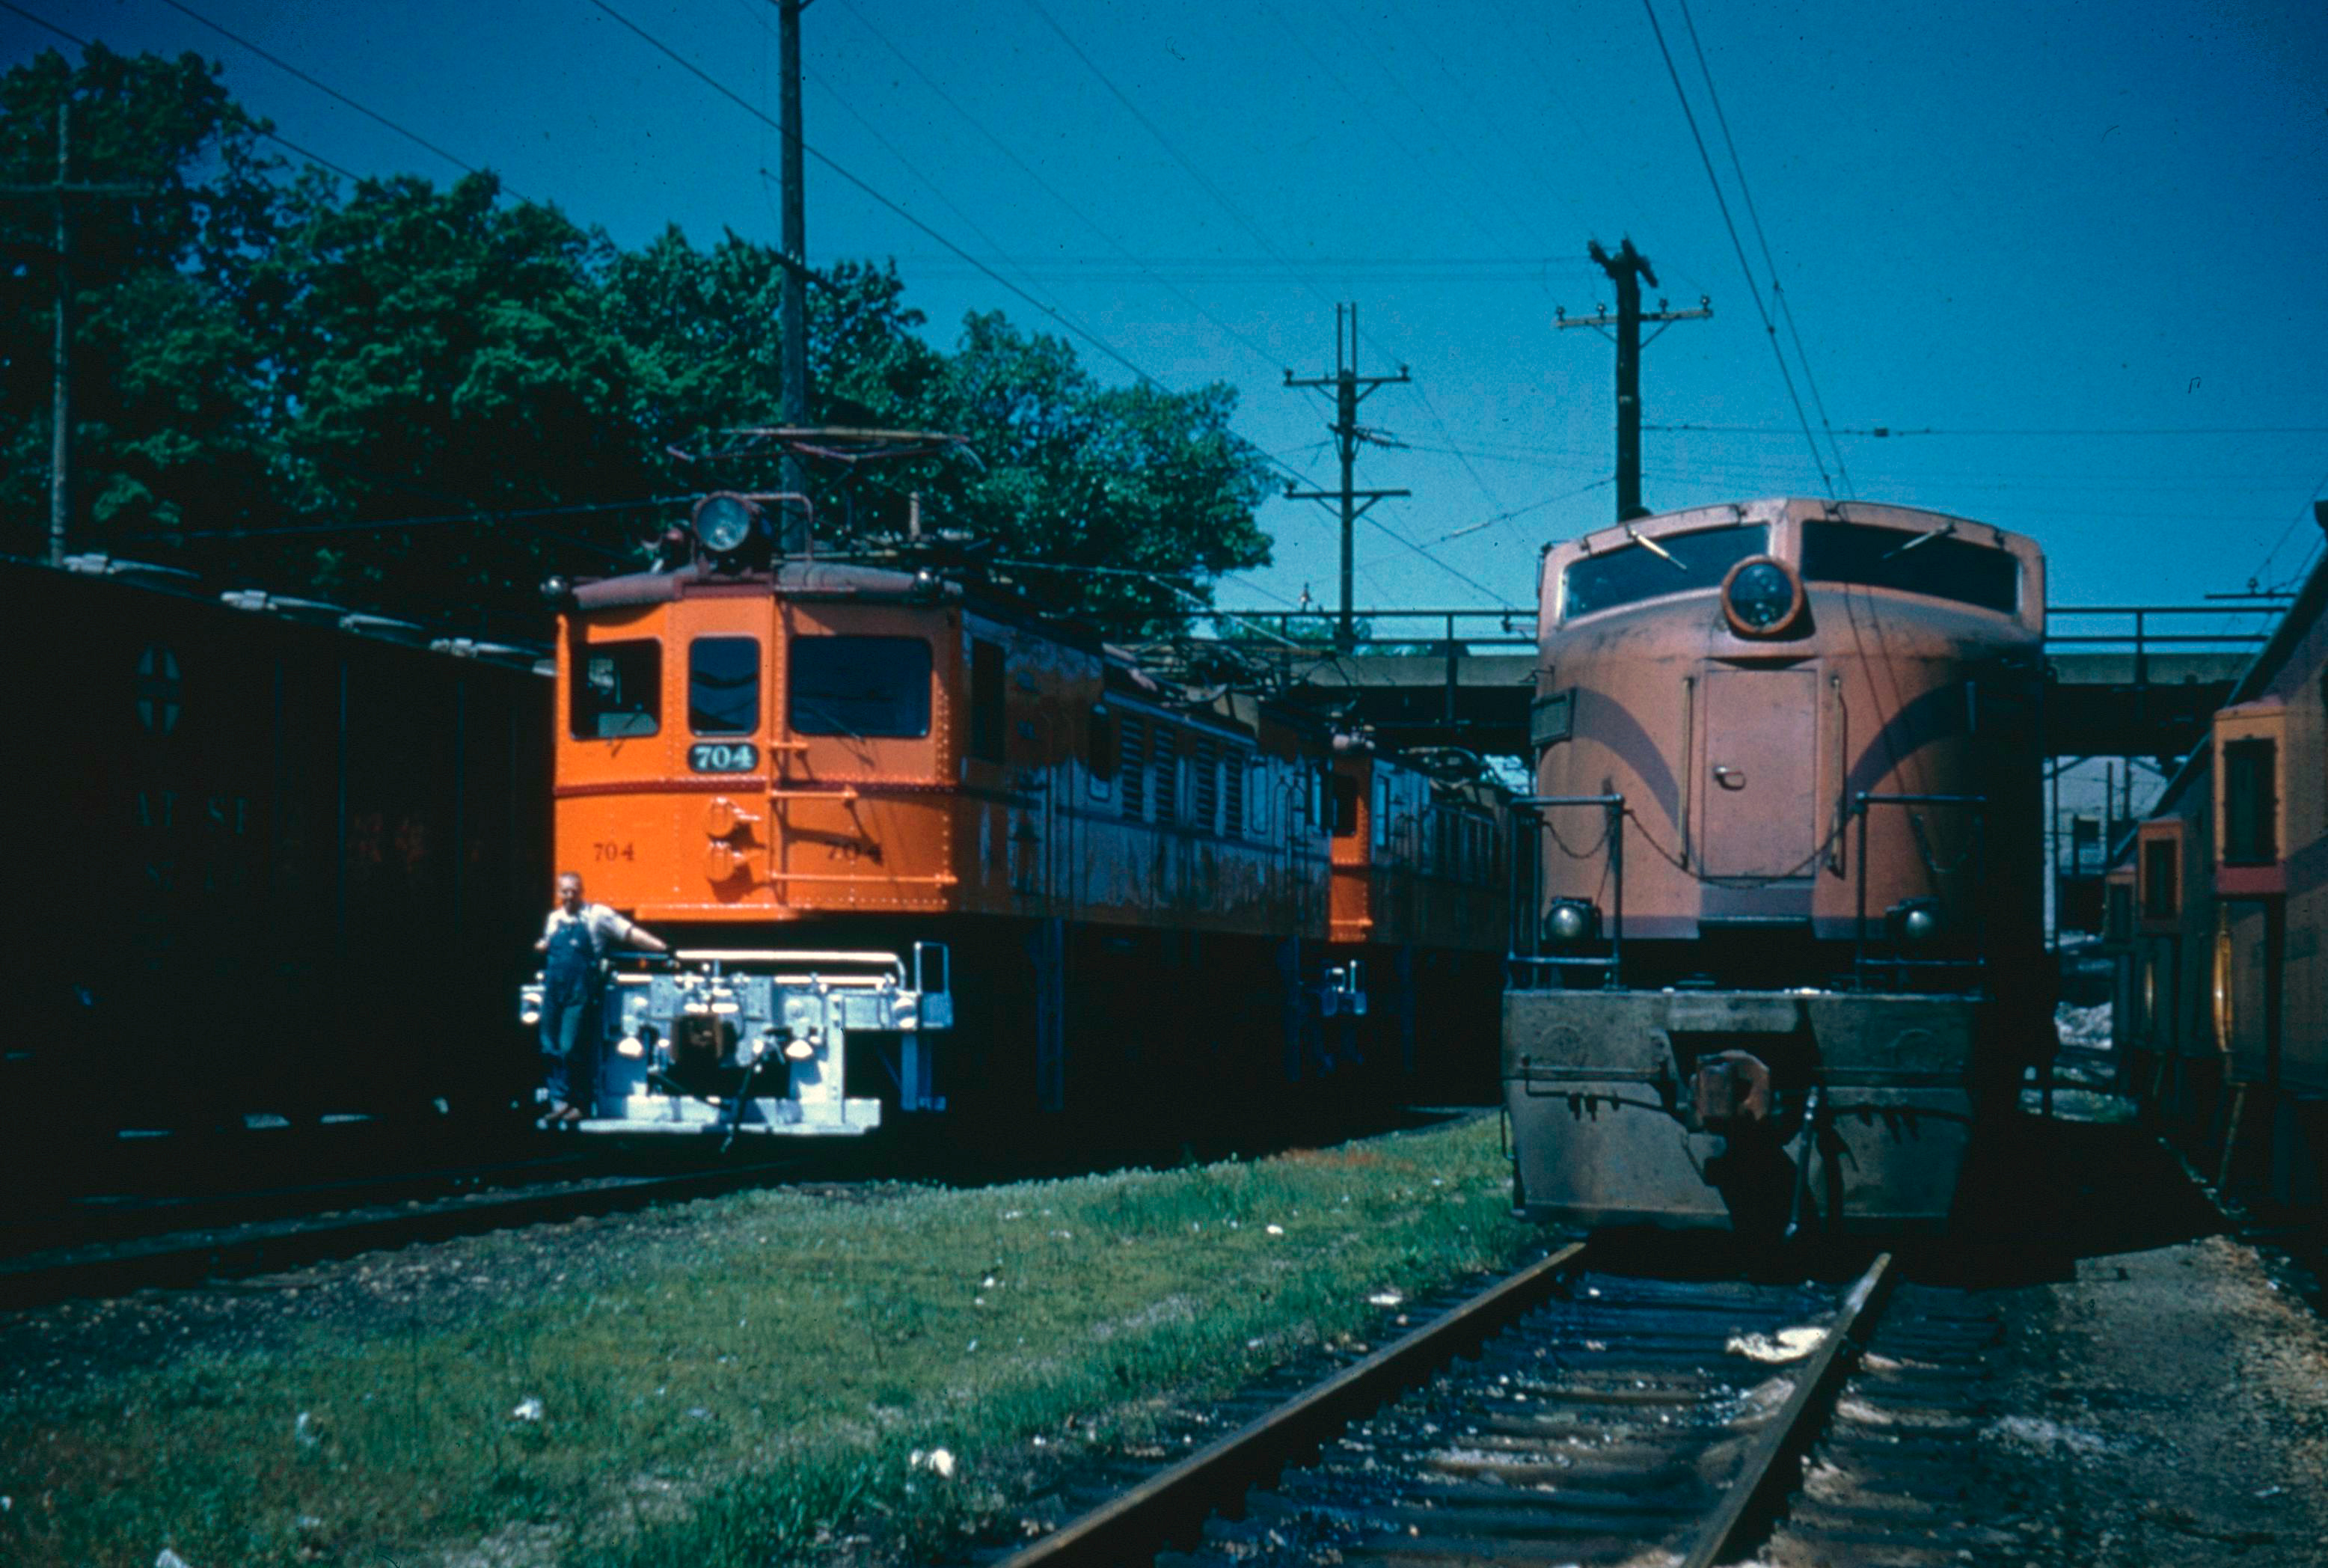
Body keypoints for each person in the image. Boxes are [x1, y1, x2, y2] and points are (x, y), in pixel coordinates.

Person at [535, 872, 669, 1123]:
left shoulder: (597, 915)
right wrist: (542, 945)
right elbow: (548, 943)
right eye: (565, 891)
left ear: (582, 891)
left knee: (569, 1045)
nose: (569, 896)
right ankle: (559, 1101)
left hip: (579, 988)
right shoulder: (554, 919)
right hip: (554, 988)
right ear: (558, 893)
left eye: (574, 890)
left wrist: (662, 948)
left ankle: (579, 1102)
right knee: (548, 1044)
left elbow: (629, 933)